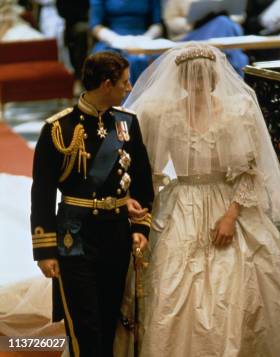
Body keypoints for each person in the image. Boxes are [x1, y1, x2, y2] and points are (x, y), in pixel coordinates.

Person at [122, 43, 280, 356]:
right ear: (181, 80)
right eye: (191, 76)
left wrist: (231, 215)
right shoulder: (159, 113)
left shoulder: (237, 111)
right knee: (174, 282)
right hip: (181, 202)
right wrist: (139, 201)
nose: (198, 82)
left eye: (204, 75)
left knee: (242, 282)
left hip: (228, 199)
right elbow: (145, 166)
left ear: (215, 77)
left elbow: (250, 170)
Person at [30, 51, 154, 357]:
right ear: (106, 84)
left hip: (115, 236)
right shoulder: (59, 129)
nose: (129, 88)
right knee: (85, 324)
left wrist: (140, 227)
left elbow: (142, 183)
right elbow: (42, 194)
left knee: (109, 316)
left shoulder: (128, 123)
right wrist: (45, 251)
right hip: (75, 236)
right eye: (124, 82)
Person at [163, 0, 249, 74]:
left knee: (223, 22)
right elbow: (170, 20)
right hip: (192, 34)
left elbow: (240, 14)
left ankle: (230, 63)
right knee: (223, 24)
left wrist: (223, 14)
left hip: (222, 29)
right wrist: (193, 23)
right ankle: (234, 69)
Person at [90, 0, 163, 84]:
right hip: (111, 40)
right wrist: (114, 39)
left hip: (143, 39)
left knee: (159, 59)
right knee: (106, 60)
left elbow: (157, 24)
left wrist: (147, 37)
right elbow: (95, 26)